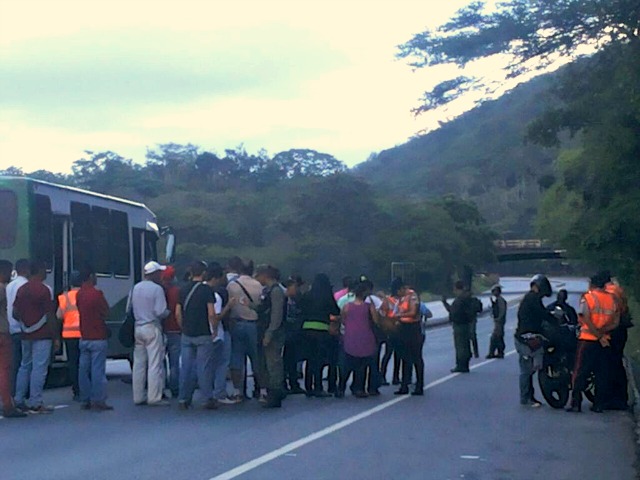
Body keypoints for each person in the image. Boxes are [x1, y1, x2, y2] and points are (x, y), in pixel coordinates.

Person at [566, 272, 619, 413]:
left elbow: (585, 318)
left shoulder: (588, 297)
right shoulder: (612, 299)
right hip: (605, 341)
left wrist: (596, 334)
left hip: (587, 340)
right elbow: (615, 322)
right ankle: (599, 404)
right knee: (602, 373)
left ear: (593, 284)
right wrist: (602, 334)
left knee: (580, 372)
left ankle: (575, 403)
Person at [13, 260, 59, 414]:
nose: (46, 273)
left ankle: (19, 399)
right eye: (44, 270)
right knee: (39, 368)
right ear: (38, 271)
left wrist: (24, 324)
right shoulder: (43, 290)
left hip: (25, 335)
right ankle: (36, 402)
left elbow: (15, 313)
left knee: (24, 366)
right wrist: (56, 337)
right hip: (42, 335)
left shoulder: (22, 289)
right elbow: (50, 315)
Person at [176, 260, 218, 410]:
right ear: (204, 273)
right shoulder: (206, 290)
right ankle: (207, 398)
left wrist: (183, 327)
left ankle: (183, 398)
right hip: (203, 333)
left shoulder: (182, 289)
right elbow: (211, 313)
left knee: (186, 367)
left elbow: (178, 313)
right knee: (204, 367)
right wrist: (214, 329)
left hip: (187, 333)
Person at [130, 261, 170, 406]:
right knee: (154, 364)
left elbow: (130, 307)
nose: (161, 275)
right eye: (159, 272)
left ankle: (138, 396)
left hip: (138, 327)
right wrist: (168, 313)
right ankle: (154, 397)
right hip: (152, 327)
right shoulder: (157, 289)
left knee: (139, 364)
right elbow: (160, 311)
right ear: (154, 274)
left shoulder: (136, 287)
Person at [514, 274, 554, 408]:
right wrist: (555, 321)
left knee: (529, 369)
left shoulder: (531, 298)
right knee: (526, 369)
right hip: (526, 338)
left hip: (528, 336)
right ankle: (526, 397)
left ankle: (528, 396)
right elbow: (543, 314)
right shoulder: (532, 298)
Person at [226, 259, 263, 403]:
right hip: (254, 324)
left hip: (237, 323)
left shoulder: (232, 285)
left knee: (237, 358)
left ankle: (237, 391)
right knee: (256, 358)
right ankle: (261, 390)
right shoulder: (258, 285)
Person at [76, 266, 113, 411]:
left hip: (84, 336)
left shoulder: (79, 294)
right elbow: (106, 312)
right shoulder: (97, 294)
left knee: (83, 370)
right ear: (91, 276)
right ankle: (98, 400)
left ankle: (85, 399)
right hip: (98, 336)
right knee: (97, 370)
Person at [337, 282, 380, 398]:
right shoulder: (369, 307)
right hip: (366, 337)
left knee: (347, 364)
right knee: (362, 364)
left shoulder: (347, 306)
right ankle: (358, 388)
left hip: (350, 336)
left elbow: (342, 320)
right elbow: (376, 321)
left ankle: (341, 387)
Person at [381, 277, 424, 395]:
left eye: (398, 292)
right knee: (405, 358)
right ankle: (404, 385)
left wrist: (398, 316)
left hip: (413, 329)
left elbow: (413, 312)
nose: (397, 295)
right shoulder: (400, 298)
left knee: (416, 358)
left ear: (402, 288)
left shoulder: (412, 295)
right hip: (402, 329)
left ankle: (419, 386)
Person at [300, 273, 340, 397]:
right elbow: (335, 311)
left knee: (309, 359)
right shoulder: (327, 295)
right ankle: (318, 387)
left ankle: (308, 387)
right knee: (318, 360)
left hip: (306, 329)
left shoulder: (307, 295)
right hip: (321, 329)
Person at [255, 264, 287, 408]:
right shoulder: (269, 291)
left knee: (273, 363)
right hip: (267, 330)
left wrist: (269, 333)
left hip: (273, 333)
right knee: (268, 363)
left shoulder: (276, 292)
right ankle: (272, 392)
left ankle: (275, 393)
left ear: (265, 276)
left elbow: (276, 314)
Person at [205, 262, 236, 405]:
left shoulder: (201, 289)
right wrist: (228, 306)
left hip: (202, 332)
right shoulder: (216, 294)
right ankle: (219, 392)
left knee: (207, 363)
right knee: (222, 363)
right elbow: (216, 316)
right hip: (216, 332)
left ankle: (207, 392)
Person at [0, 259, 26, 418]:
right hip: (2, 334)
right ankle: (7, 405)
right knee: (5, 371)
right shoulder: (1, 288)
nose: (10, 276)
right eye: (9, 272)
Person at [604, 273, 632, 410]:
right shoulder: (617, 289)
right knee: (616, 364)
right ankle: (620, 398)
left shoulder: (608, 293)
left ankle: (615, 399)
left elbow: (610, 314)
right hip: (620, 330)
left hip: (613, 331)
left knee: (611, 365)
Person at [56, 271, 82, 401]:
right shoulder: (85, 295)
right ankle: (85, 388)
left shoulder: (63, 297)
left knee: (73, 363)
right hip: (83, 334)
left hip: (68, 334)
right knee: (84, 363)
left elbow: (59, 316)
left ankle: (76, 390)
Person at [6, 258, 29, 396]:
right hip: (22, 328)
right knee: (24, 364)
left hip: (10, 328)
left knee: (13, 363)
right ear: (26, 269)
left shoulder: (10, 285)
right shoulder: (25, 285)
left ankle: (11, 392)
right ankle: (20, 394)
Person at [442, 281, 474, 373]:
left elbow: (452, 311)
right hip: (467, 324)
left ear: (456, 288)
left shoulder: (459, 300)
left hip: (459, 325)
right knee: (466, 344)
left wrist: (445, 303)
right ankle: (465, 364)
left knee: (460, 345)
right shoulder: (467, 298)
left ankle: (461, 365)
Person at [161, 266, 181, 399]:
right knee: (174, 363)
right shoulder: (178, 292)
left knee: (160, 362)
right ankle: (175, 388)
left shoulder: (159, 291)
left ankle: (161, 388)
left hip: (161, 330)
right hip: (176, 330)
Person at [283, 277, 305, 394]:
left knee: (292, 360)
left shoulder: (294, 300)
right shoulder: (283, 300)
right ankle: (284, 384)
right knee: (285, 360)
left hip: (293, 334)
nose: (296, 290)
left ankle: (293, 383)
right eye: (294, 288)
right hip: (286, 333)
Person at [487, 284, 507, 359]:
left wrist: (498, 318)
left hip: (499, 322)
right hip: (498, 321)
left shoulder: (500, 300)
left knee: (496, 337)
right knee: (497, 337)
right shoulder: (497, 300)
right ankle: (497, 352)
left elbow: (502, 310)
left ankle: (496, 353)